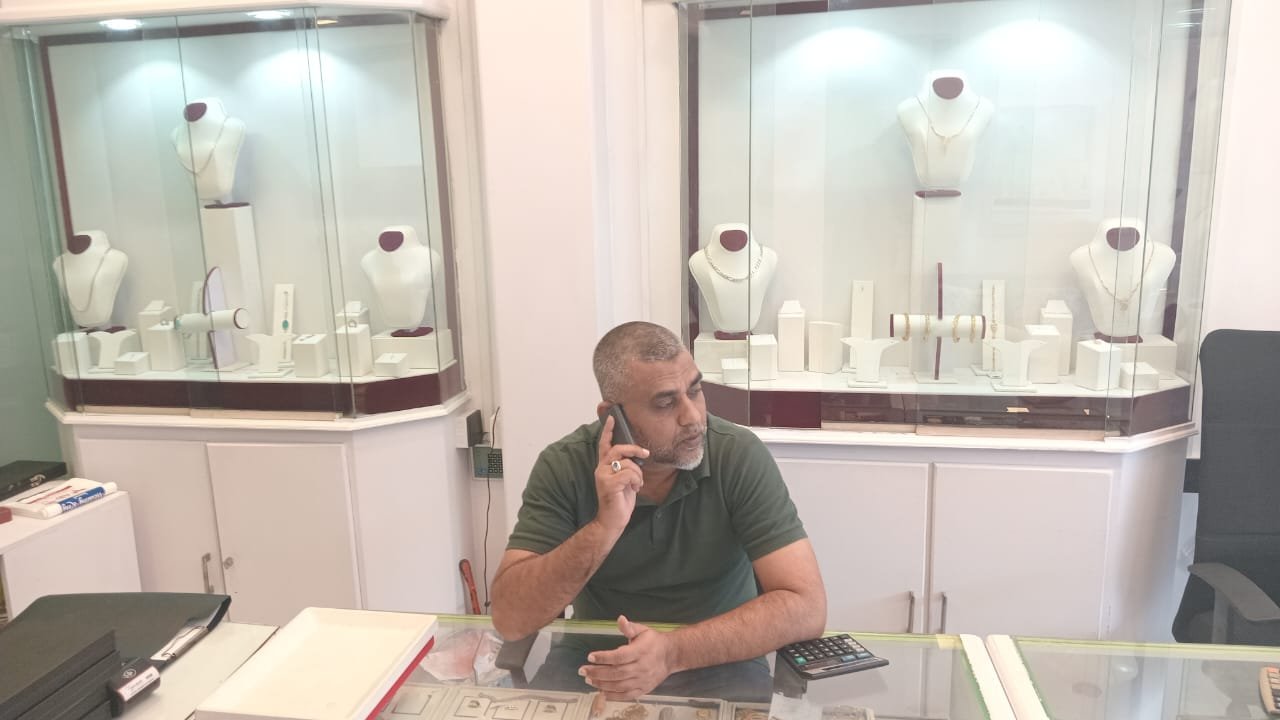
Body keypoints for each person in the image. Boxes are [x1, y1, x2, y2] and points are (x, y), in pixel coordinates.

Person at [490, 321, 827, 700]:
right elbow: (510, 619)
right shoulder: (564, 465)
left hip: (718, 657)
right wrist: (604, 527)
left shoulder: (737, 455)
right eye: (665, 403)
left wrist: (671, 652)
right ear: (612, 416)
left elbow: (806, 606)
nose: (693, 417)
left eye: (695, 391)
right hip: (598, 659)